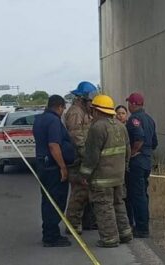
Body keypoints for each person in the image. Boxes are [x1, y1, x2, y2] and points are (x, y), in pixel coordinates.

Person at [79, 94, 133, 248]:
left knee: (104, 207)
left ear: (96, 110)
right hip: (118, 176)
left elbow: (91, 156)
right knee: (118, 204)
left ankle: (109, 238)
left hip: (102, 178)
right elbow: (127, 151)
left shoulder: (97, 128)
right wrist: (124, 166)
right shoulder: (121, 126)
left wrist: (85, 174)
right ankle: (125, 233)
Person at [33, 95, 75, 247]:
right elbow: (53, 145)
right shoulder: (53, 121)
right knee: (56, 201)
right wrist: (63, 167)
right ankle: (51, 236)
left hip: (43, 165)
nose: (63, 111)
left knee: (47, 200)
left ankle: (50, 232)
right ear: (59, 107)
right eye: (63, 108)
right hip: (53, 167)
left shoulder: (39, 120)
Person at [64, 81, 98, 234]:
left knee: (85, 193)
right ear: (82, 98)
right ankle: (72, 224)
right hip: (78, 160)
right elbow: (77, 137)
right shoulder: (75, 113)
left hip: (83, 158)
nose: (92, 104)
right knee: (79, 193)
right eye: (90, 100)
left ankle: (85, 222)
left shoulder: (84, 112)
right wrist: (87, 157)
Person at [125, 92, 158, 238]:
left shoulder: (134, 120)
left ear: (133, 104)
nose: (128, 106)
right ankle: (143, 223)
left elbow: (139, 138)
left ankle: (141, 228)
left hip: (137, 162)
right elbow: (154, 143)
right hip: (147, 161)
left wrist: (131, 153)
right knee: (143, 194)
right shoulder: (150, 120)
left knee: (137, 195)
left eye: (129, 103)